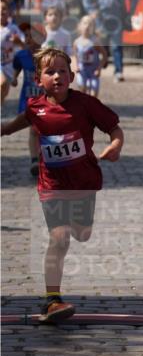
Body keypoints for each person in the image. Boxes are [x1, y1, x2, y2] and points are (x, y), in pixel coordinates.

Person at [1, 47, 124, 323]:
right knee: (59, 238)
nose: (57, 76)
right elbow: (14, 125)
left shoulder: (86, 104)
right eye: (50, 72)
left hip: (84, 183)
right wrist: (3, 130)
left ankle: (54, 294)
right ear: (38, 79)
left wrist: (115, 145)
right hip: (52, 185)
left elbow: (114, 128)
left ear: (71, 75)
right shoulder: (35, 107)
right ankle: (52, 300)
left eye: (62, 71)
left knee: (82, 234)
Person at [83, 0, 135, 82]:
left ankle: (118, 71)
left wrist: (130, 12)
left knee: (117, 44)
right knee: (102, 42)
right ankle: (100, 64)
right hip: (102, 15)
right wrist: (91, 10)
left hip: (117, 15)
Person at [11, 26, 45, 176]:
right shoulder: (21, 55)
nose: (28, 39)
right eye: (26, 36)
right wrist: (13, 78)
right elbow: (17, 67)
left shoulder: (47, 56)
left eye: (33, 36)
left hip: (45, 100)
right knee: (33, 130)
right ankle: (34, 160)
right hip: (29, 99)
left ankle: (43, 158)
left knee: (43, 131)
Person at [72, 15, 104, 97]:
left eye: (90, 24)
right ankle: (85, 107)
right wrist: (76, 66)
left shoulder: (95, 41)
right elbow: (75, 55)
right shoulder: (77, 42)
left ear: (93, 28)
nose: (87, 26)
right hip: (82, 70)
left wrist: (99, 68)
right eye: (85, 23)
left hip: (93, 71)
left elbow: (104, 55)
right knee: (82, 89)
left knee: (94, 92)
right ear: (80, 26)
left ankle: (92, 107)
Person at [1, 0, 24, 104]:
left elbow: (25, 45)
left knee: (4, 93)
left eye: (4, 8)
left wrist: (18, 41)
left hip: (9, 64)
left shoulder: (13, 28)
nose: (1, 10)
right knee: (2, 83)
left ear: (9, 12)